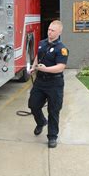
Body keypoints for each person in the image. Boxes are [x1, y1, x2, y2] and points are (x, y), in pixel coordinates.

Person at [28, 20, 68, 148]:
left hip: (54, 83)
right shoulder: (42, 43)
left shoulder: (62, 49)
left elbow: (61, 67)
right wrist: (34, 67)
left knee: (54, 110)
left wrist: (45, 69)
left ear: (59, 32)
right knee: (33, 105)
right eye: (49, 29)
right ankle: (41, 122)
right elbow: (37, 57)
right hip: (40, 81)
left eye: (53, 30)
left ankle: (52, 137)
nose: (49, 32)